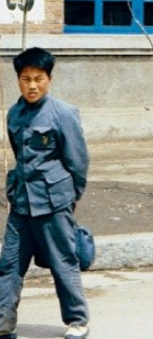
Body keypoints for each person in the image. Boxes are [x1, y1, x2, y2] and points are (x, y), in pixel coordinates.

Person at [0, 48, 90, 339]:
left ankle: (78, 320)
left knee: (63, 262)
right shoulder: (14, 113)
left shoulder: (63, 114)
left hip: (54, 203)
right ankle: (3, 323)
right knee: (9, 265)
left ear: (49, 79)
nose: (32, 85)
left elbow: (77, 161)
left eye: (38, 78)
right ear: (18, 80)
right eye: (25, 79)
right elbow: (20, 156)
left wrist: (68, 198)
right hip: (22, 203)